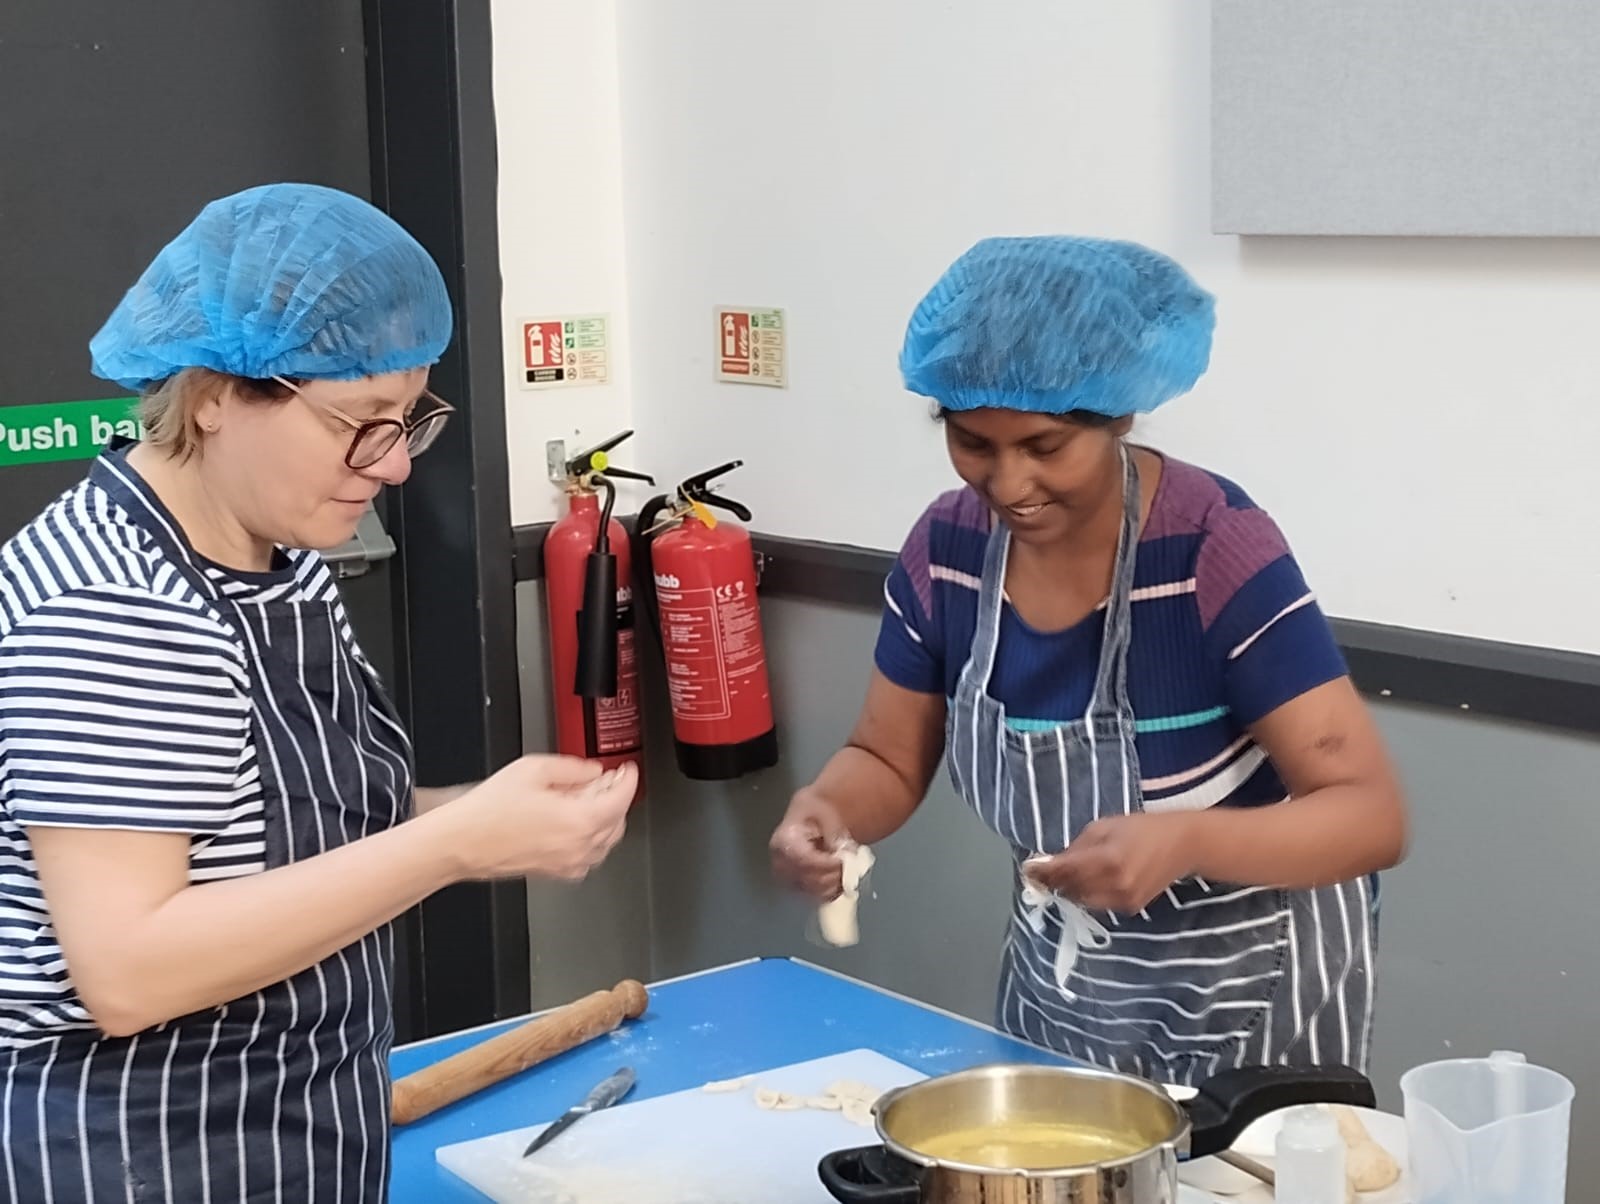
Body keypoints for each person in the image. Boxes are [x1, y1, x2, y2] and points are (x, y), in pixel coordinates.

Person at [0, 183, 636, 1201]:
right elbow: (127, 968)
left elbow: (297, 825)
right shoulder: (112, 607)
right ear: (212, 393)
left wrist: (485, 815)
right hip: (149, 1149)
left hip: (305, 1130)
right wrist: (453, 846)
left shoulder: (279, 558)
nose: (389, 467)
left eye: (408, 420)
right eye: (359, 423)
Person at [770, 236, 1407, 1087]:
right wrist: (824, 812)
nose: (1006, 484)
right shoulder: (948, 550)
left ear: (1119, 415)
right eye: (972, 443)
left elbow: (1370, 816)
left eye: (1044, 446)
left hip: (1254, 995)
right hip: (1066, 985)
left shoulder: (1212, 550)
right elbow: (885, 756)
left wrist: (1184, 841)